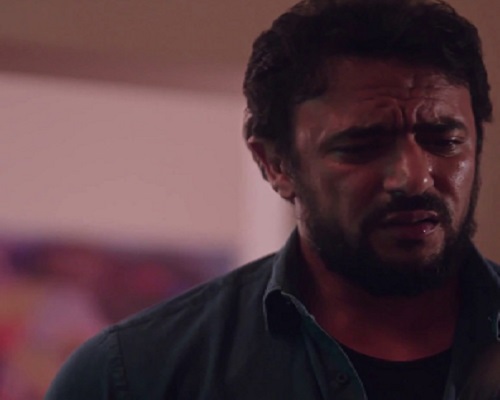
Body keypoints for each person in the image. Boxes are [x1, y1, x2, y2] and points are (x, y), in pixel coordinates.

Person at [45, 0, 500, 399]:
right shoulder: (136, 376)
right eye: (362, 146)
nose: (415, 178)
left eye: (445, 141)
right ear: (275, 164)